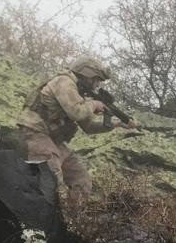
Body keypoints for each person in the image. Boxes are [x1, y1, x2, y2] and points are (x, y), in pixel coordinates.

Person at [16, 55, 135, 199]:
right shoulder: (64, 81)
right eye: (96, 80)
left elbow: (89, 126)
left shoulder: (79, 93)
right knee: (52, 176)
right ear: (87, 74)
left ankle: (73, 218)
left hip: (53, 139)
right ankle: (48, 217)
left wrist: (117, 123)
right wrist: (93, 104)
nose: (97, 85)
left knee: (82, 181)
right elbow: (76, 113)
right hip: (35, 132)